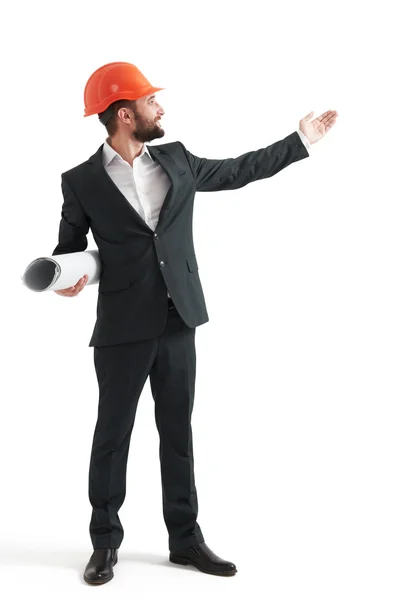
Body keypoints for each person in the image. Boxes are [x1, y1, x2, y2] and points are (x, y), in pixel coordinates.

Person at [52, 61, 338, 584]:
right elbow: (67, 250)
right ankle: (104, 544)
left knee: (177, 433)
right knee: (112, 437)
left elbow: (237, 170)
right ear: (123, 113)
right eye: (150, 101)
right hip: (121, 328)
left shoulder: (177, 160)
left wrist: (301, 140)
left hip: (177, 318)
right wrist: (66, 277)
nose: (160, 107)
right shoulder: (81, 182)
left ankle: (185, 541)